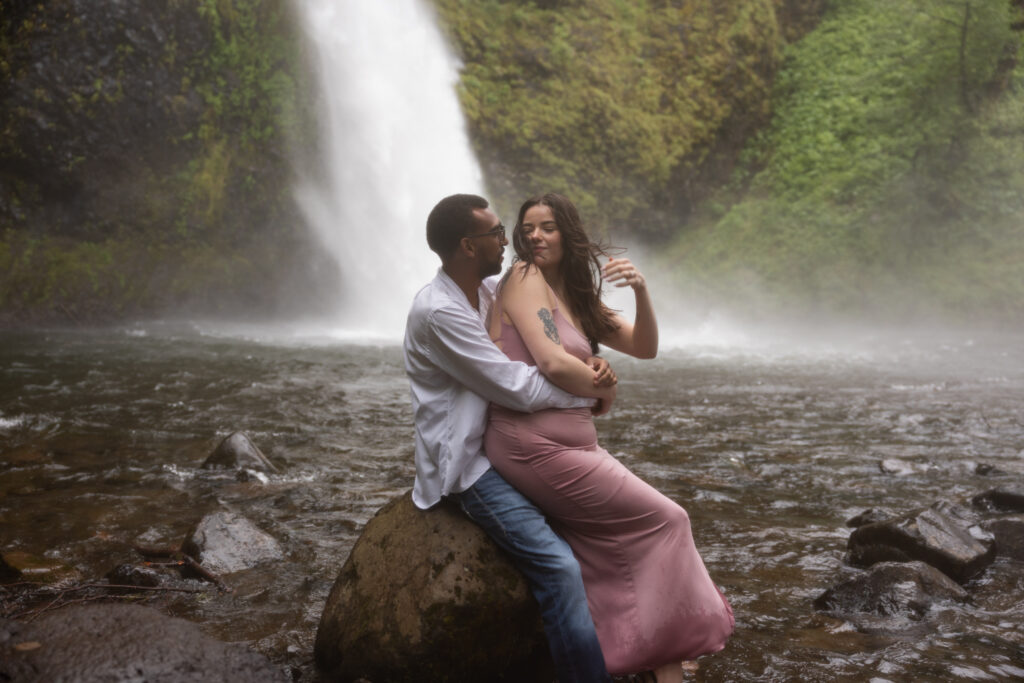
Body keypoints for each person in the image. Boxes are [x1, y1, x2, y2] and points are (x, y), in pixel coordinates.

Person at [484, 193, 735, 683]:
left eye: (548, 227)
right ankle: (662, 651)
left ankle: (661, 661)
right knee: (667, 521)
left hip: (574, 446)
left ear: (569, 235)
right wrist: (602, 391)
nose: (535, 236)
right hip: (531, 443)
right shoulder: (523, 278)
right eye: (528, 227)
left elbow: (645, 347)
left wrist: (641, 290)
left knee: (611, 548)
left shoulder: (575, 297)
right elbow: (553, 362)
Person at [403, 193, 619, 683]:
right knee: (560, 568)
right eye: (498, 234)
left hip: (506, 441)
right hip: (471, 463)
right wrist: (591, 394)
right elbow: (514, 385)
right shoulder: (440, 312)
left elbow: (546, 335)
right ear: (467, 246)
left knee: (600, 535)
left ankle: (632, 647)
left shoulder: (482, 291)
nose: (511, 241)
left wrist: (591, 365)